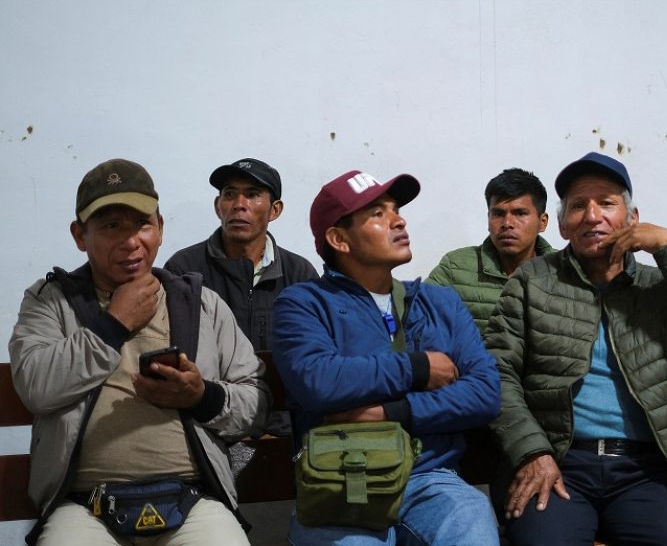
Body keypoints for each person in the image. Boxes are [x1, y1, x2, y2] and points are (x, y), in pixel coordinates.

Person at [8, 158, 269, 546]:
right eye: (112, 226)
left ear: (160, 229)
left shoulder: (200, 303)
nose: (131, 241)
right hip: (85, 507)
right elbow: (36, 387)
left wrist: (203, 397)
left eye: (142, 224)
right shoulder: (51, 301)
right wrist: (113, 324)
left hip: (193, 501)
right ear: (80, 235)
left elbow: (256, 403)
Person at [484, 152, 667, 545]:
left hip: (647, 470)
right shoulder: (532, 282)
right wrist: (533, 452)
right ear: (564, 225)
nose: (591, 216)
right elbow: (496, 372)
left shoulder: (658, 287)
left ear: (632, 219)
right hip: (560, 465)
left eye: (606, 203)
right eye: (578, 206)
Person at [272, 170, 502, 545]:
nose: (399, 220)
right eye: (378, 213)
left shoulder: (438, 302)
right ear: (338, 239)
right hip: (340, 480)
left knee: (472, 528)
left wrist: (392, 412)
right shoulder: (303, 304)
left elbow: (484, 393)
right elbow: (319, 381)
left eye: (395, 210)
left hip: (432, 477)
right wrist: (419, 366)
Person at [165, 157, 318, 352]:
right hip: (205, 383)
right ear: (217, 206)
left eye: (252, 194)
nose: (239, 204)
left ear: (275, 210)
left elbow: (312, 350)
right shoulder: (184, 268)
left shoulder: (299, 274)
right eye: (229, 194)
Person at [427, 168, 555, 333]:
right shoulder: (456, 268)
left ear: (542, 222)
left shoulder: (565, 272)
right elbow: (416, 317)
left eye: (520, 213)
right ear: (488, 220)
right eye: (498, 214)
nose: (507, 223)